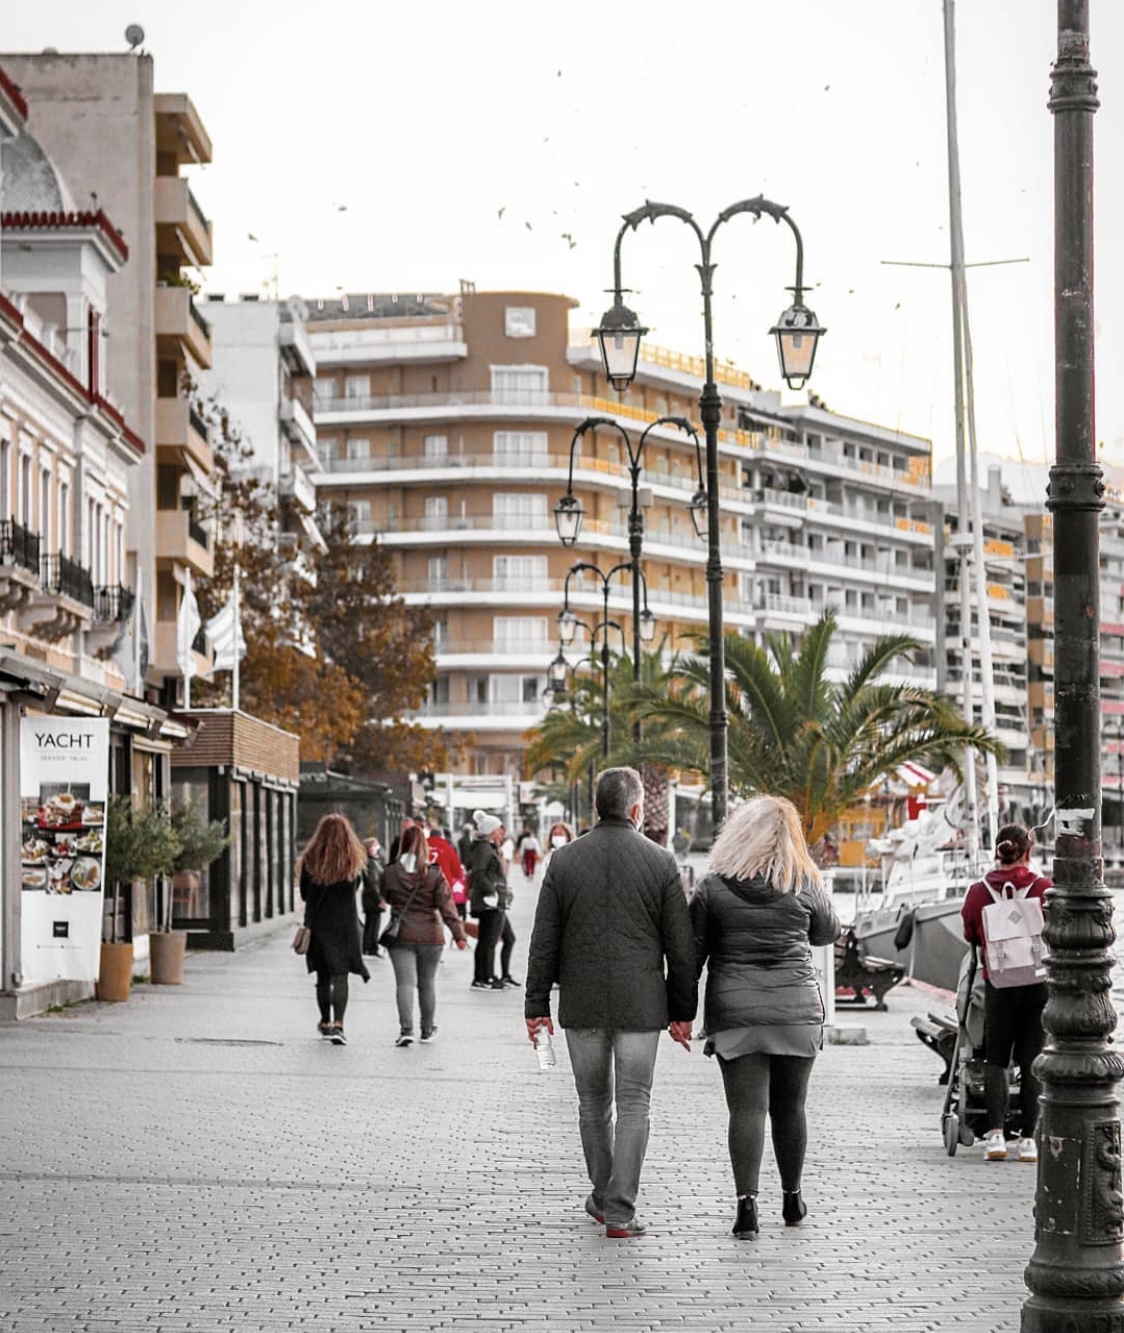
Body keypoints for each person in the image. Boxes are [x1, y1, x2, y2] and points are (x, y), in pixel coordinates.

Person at [525, 766, 697, 1240]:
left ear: (596, 808)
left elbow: (544, 941)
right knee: (635, 1104)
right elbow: (681, 948)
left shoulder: (563, 861)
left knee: (591, 1104)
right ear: (637, 810)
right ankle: (621, 1210)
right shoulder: (661, 863)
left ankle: (603, 1199)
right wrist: (683, 1012)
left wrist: (535, 1006)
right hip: (642, 1004)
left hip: (580, 1002)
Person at [688, 795, 840, 1239]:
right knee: (791, 1106)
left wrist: (679, 1009)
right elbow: (829, 931)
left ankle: (746, 1206)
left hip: (736, 1012)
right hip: (796, 1011)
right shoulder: (803, 882)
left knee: (746, 1109)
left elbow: (692, 954)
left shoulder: (713, 887)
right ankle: (792, 1198)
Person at [961, 822, 1051, 1164]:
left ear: (997, 850)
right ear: (1028, 852)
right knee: (1032, 1060)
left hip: (998, 984)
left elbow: (970, 932)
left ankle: (995, 1135)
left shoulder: (978, 892)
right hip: (1036, 981)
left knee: (996, 1059)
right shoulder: (1044, 888)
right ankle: (1028, 1138)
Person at [380, 823, 467, 1046]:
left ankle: (406, 1029)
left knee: (405, 984)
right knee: (427, 984)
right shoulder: (434, 873)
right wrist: (459, 934)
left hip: (401, 936)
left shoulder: (390, 871)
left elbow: (386, 897)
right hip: (431, 934)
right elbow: (447, 907)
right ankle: (427, 1029)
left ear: (402, 844)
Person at [298, 813, 371, 1046]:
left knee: (322, 976)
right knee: (341, 976)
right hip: (345, 925)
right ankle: (339, 1025)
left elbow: (304, 894)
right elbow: (356, 887)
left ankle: (326, 1022)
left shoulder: (310, 860)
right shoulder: (353, 861)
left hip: (318, 924)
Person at [466, 811, 509, 990]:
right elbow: (479, 873)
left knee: (485, 939)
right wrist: (493, 892)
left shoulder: (485, 847)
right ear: (491, 831)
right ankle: (487, 977)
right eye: (499, 829)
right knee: (489, 941)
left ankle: (481, 976)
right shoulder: (484, 849)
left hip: (490, 899)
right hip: (490, 901)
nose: (501, 833)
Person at [360, 835, 385, 957]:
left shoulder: (374, 861)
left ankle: (368, 946)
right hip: (373, 897)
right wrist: (379, 899)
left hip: (371, 897)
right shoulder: (371, 863)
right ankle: (371, 947)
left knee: (372, 922)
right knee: (373, 923)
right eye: (374, 845)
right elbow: (372, 882)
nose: (377, 848)